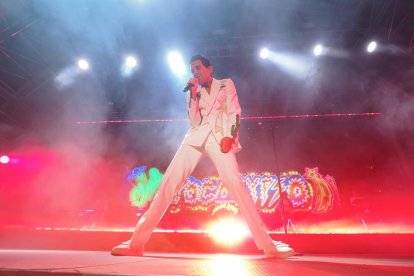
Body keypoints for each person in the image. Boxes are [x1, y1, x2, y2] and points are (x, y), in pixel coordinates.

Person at [111, 54, 295, 258]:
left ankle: (269, 245)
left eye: (198, 68)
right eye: (192, 70)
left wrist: (230, 136)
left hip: (219, 138)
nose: (195, 72)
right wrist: (192, 95)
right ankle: (135, 244)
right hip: (194, 139)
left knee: (235, 183)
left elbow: (234, 111)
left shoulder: (226, 85)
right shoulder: (192, 91)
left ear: (210, 69)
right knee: (167, 184)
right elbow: (194, 120)